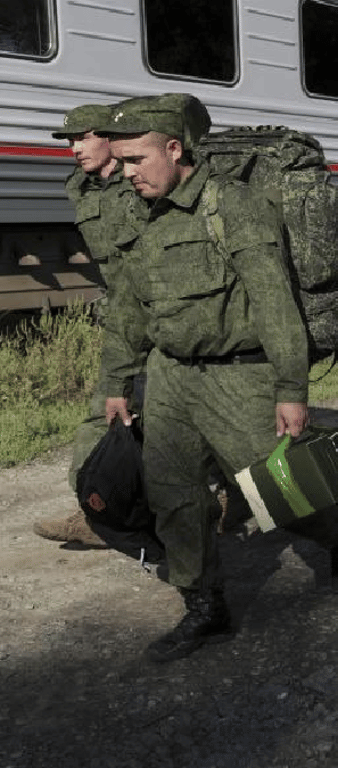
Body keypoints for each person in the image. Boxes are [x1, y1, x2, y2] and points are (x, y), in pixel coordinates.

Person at [96, 93, 338, 663]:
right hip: (169, 379)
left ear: (174, 149)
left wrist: (291, 389)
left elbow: (274, 303)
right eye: (119, 162)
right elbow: (126, 306)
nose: (127, 174)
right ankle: (204, 608)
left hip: (239, 378)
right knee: (175, 499)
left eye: (136, 160)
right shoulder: (138, 214)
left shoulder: (234, 206)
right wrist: (117, 381)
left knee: (283, 492)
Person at [30, 104, 144, 548]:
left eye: (83, 137)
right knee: (106, 411)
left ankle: (234, 498)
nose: (74, 148)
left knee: (201, 421)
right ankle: (95, 513)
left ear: (111, 138)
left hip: (168, 312)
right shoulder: (83, 186)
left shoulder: (142, 182)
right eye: (69, 141)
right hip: (126, 314)